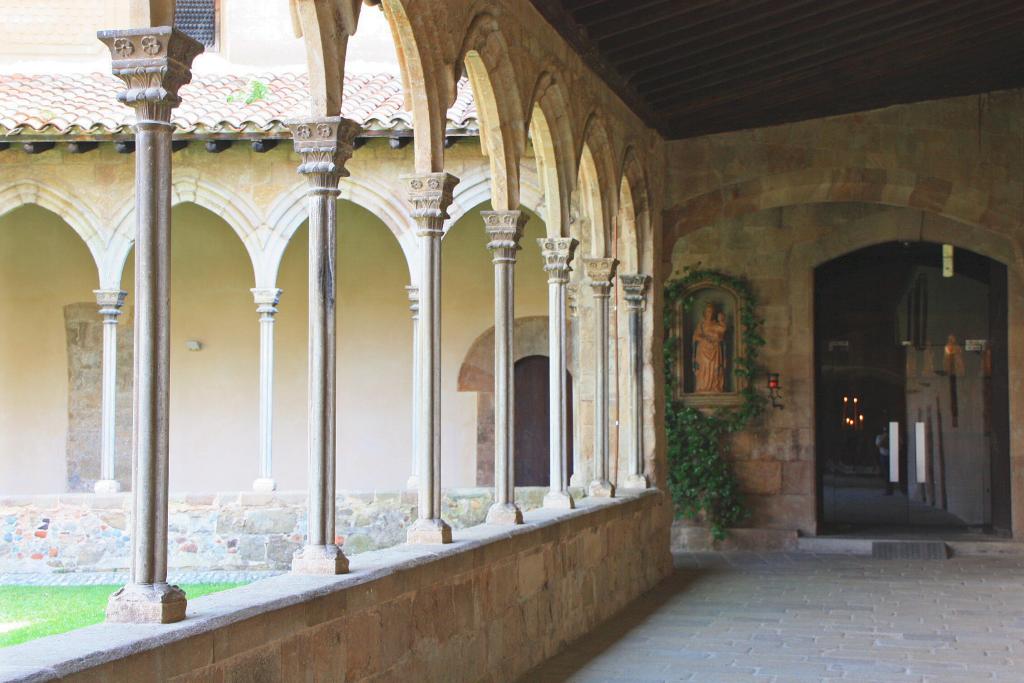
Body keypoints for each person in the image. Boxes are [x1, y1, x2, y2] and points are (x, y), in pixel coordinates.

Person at [693, 303, 727, 392]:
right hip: (703, 349)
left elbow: (722, 332)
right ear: (705, 313)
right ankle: (703, 387)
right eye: (708, 311)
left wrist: (721, 321)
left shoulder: (716, 324)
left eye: (712, 312)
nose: (710, 313)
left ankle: (715, 387)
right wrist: (705, 339)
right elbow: (696, 336)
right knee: (704, 368)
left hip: (715, 349)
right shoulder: (701, 325)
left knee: (715, 368)